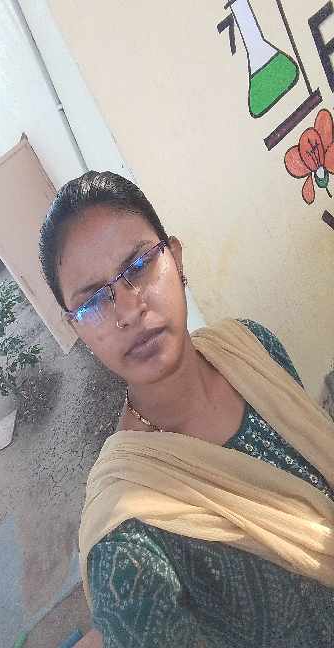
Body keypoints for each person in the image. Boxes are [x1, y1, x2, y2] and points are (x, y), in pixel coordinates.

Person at [39, 171, 334, 648]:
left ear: (174, 258)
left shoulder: (252, 346)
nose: (128, 311)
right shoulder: (128, 545)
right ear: (77, 329)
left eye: (138, 266)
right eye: (93, 301)